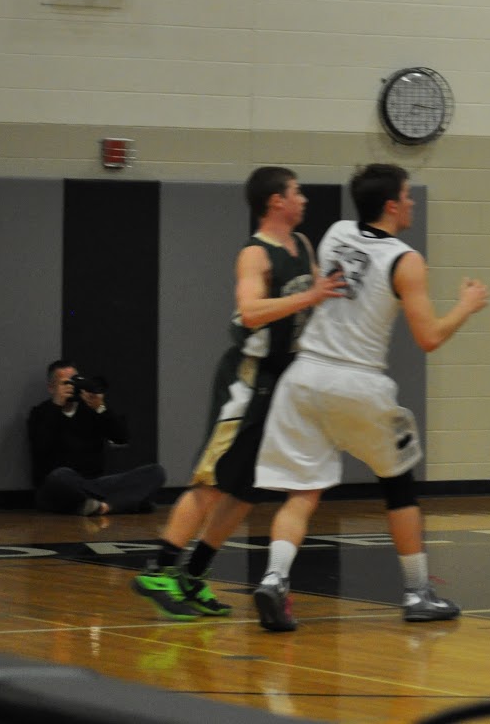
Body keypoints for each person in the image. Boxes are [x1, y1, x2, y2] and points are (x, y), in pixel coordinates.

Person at [251, 163, 488, 631]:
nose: (413, 202)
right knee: (398, 486)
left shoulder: (336, 232)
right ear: (391, 205)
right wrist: (465, 306)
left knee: (302, 494)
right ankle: (418, 593)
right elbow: (429, 338)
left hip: (305, 376)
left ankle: (275, 579)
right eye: (407, 195)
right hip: (356, 381)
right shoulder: (406, 259)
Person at [129, 166, 345, 620]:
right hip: (247, 378)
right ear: (275, 202)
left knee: (246, 490)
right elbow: (250, 312)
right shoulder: (254, 255)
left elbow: (316, 301)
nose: (303, 199)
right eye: (296, 192)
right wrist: (312, 297)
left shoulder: (301, 245)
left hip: (283, 381)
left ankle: (194, 574)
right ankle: (161, 570)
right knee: (211, 480)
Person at [28, 360, 165, 516]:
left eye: (76, 381)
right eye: (65, 383)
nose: (72, 387)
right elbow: (41, 446)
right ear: (51, 388)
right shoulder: (40, 413)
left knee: (156, 472)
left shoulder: (91, 410)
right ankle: (124, 503)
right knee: (60, 476)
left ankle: (101, 507)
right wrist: (57, 406)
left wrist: (100, 408)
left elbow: (121, 438)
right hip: (58, 486)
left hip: (95, 482)